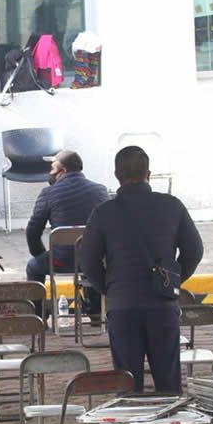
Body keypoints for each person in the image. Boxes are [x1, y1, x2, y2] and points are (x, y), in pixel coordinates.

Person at [80, 146, 203, 394]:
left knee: (127, 382)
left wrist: (110, 287)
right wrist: (173, 280)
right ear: (149, 173)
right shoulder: (172, 206)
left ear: (116, 174)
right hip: (163, 304)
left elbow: (89, 262)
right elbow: (194, 251)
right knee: (168, 381)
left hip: (122, 304)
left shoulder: (103, 213)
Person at [25, 150, 108, 323]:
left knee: (33, 267)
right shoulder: (100, 191)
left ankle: (39, 318)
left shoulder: (49, 193)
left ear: (62, 171)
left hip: (60, 261)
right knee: (92, 263)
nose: (50, 173)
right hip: (93, 259)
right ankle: (96, 314)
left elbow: (33, 230)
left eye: (52, 168)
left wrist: (39, 254)